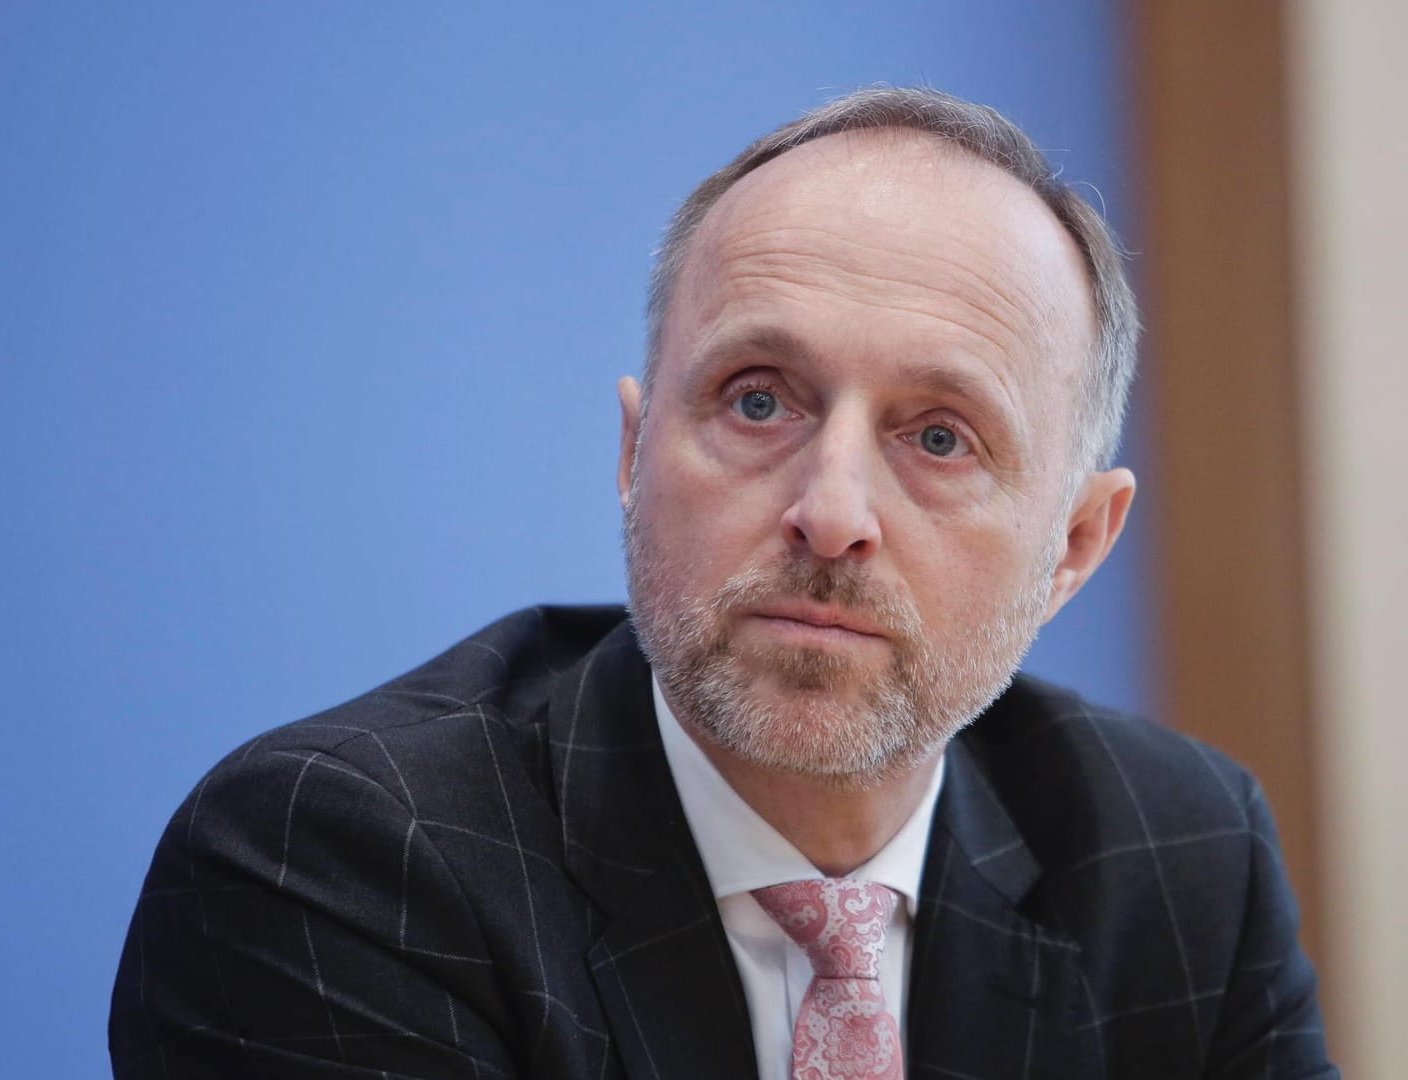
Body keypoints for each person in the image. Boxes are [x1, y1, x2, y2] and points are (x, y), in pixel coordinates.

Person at [110, 87, 1336, 1080]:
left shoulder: (1181, 857)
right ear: (636, 454)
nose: (834, 514)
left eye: (941, 436)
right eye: (759, 400)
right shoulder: (339, 861)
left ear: (1074, 545)